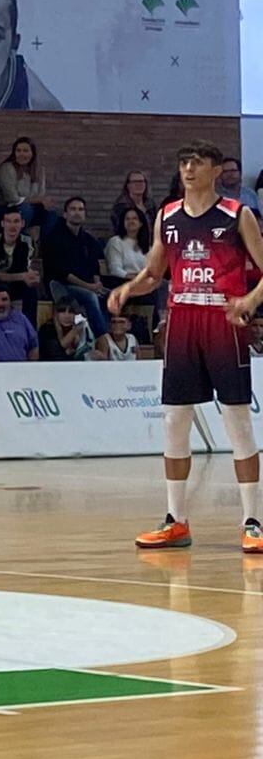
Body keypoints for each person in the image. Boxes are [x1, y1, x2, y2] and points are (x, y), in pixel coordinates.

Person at [110, 140, 263, 554]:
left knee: (238, 423)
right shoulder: (167, 216)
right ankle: (176, 520)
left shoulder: (238, 215)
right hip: (181, 321)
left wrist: (249, 300)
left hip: (223, 322)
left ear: (216, 170)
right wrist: (127, 288)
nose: (189, 168)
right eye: (183, 162)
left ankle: (252, 521)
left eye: (197, 162)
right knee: (174, 422)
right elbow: (153, 272)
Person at [42, 197, 111, 335]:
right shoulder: (54, 238)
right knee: (91, 297)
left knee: (112, 296)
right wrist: (90, 287)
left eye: (80, 209)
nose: (77, 212)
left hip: (87, 285)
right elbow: (63, 273)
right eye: (73, 209)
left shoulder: (88, 240)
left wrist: (97, 283)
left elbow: (94, 266)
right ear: (65, 214)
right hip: (61, 285)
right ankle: (103, 338)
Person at [0, 207, 43, 323]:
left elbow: (24, 268)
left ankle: (28, 329)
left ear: (22, 223)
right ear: (2, 223)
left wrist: (31, 277)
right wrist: (24, 276)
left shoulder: (27, 241)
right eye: (8, 221)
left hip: (16, 283)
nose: (12, 225)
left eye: (16, 221)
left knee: (31, 290)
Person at [0, 137, 50, 234]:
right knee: (25, 209)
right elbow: (12, 198)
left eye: (25, 151)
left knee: (51, 215)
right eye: (18, 151)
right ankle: (17, 240)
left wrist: (42, 202)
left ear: (32, 153)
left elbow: (41, 194)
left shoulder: (39, 170)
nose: (21, 154)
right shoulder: (7, 168)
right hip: (7, 208)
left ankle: (44, 246)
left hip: (30, 207)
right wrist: (37, 200)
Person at [40, 296, 94, 362]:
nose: (66, 316)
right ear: (56, 313)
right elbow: (53, 355)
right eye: (62, 311)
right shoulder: (47, 329)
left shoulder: (81, 328)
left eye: (71, 312)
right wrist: (74, 331)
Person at [111, 170, 153, 239]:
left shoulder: (150, 205)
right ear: (128, 185)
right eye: (135, 182)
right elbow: (118, 229)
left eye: (141, 181)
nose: (139, 184)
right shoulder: (121, 206)